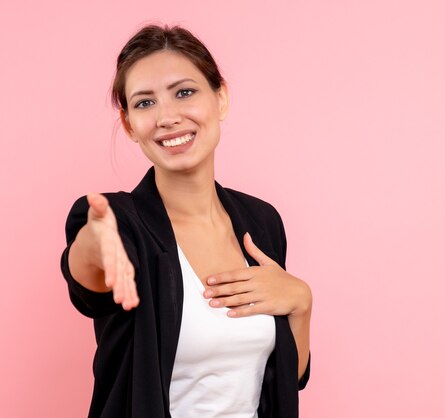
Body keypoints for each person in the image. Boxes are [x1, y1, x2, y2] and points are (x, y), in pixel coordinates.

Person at [60, 24, 311, 418]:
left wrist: (302, 305)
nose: (167, 116)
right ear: (129, 125)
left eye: (184, 92)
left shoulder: (261, 222)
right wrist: (98, 241)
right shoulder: (122, 223)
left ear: (221, 98)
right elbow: (86, 276)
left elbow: (281, 382)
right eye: (145, 103)